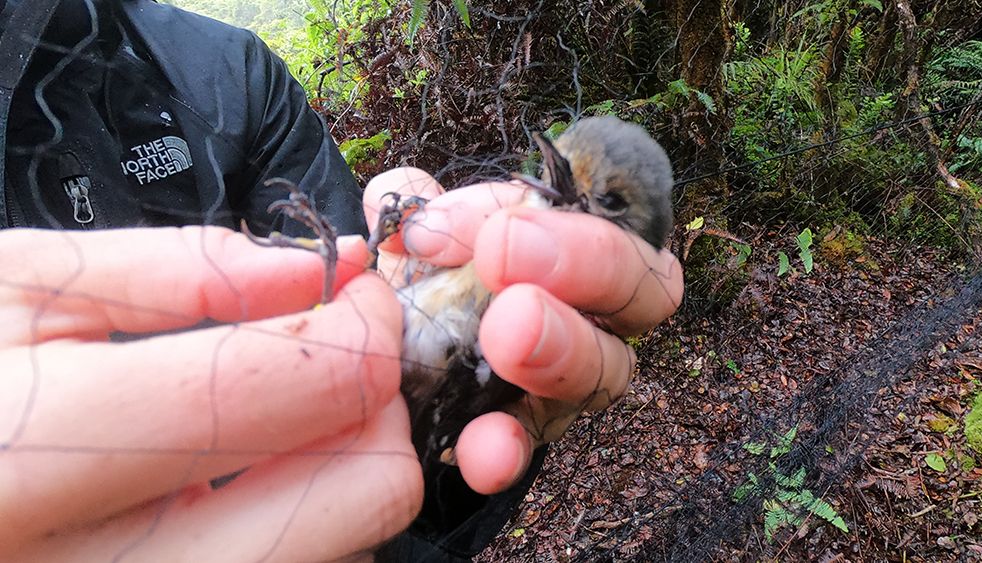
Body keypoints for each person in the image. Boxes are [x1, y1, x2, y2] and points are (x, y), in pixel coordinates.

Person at [0, 1, 685, 561]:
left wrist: (396, 248)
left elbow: (352, 298)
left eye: (573, 190)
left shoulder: (224, 75)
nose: (549, 189)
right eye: (559, 174)